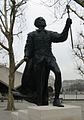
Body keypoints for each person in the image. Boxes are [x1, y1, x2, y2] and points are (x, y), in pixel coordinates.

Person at [16, 17, 72, 107]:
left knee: (58, 72)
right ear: (37, 23)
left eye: (43, 19)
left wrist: (67, 25)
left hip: (49, 57)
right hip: (37, 59)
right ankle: (39, 101)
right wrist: (26, 55)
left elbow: (62, 37)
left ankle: (56, 99)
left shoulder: (50, 34)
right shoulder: (32, 35)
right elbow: (28, 47)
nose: (43, 20)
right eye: (40, 20)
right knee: (39, 82)